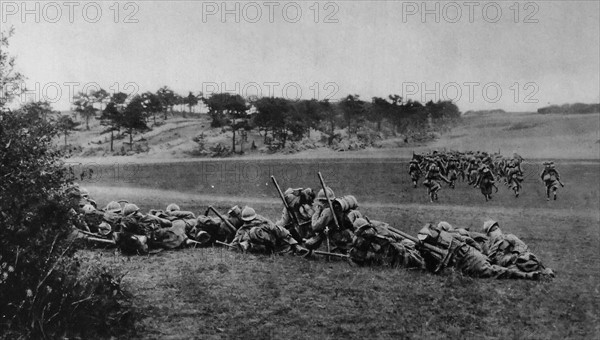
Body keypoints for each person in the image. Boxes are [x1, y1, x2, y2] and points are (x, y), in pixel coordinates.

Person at [416, 223, 549, 280]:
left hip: (472, 261)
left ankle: (530, 275)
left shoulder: (450, 236)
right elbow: (469, 241)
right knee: (500, 269)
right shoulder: (450, 235)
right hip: (474, 256)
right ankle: (536, 273)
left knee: (499, 271)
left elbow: (434, 268)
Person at [482, 220, 554, 276]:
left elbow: (519, 243)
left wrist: (516, 252)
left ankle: (545, 271)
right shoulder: (489, 246)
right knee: (513, 271)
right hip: (507, 265)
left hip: (519, 258)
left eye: (496, 228)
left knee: (527, 261)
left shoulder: (508, 237)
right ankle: (540, 273)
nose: (496, 231)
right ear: (488, 234)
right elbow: (490, 259)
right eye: (493, 230)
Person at [349, 218, 425, 269]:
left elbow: (357, 259)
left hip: (399, 257)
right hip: (400, 255)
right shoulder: (377, 235)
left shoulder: (362, 240)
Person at [230, 206, 307, 255]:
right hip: (260, 248)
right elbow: (234, 243)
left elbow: (278, 230)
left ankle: (295, 247)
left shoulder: (264, 223)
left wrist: (294, 243)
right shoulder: (243, 229)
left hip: (274, 243)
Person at [306, 188, 355, 253]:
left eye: (321, 201)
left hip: (336, 237)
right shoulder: (337, 209)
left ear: (323, 201)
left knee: (308, 244)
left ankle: (334, 249)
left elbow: (315, 227)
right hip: (346, 236)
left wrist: (317, 213)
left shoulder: (327, 211)